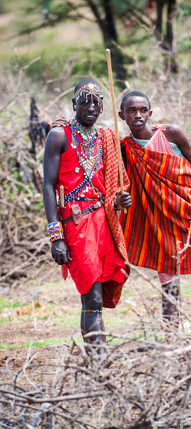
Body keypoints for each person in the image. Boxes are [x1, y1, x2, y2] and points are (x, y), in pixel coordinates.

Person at [118, 91, 191, 333]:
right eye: (131, 111)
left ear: (150, 113)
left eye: (142, 110)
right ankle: (173, 344)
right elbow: (122, 185)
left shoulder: (171, 133)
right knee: (170, 287)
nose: (137, 115)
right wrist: (121, 198)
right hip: (161, 222)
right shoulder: (124, 149)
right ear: (122, 115)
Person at [43, 79, 132, 351]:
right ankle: (98, 363)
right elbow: (47, 186)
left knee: (96, 298)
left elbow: (115, 184)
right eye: (84, 101)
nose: (91, 107)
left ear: (103, 106)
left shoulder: (107, 137)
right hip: (76, 225)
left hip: (105, 222)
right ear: (74, 104)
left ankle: (98, 361)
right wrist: (55, 236)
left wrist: (120, 197)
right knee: (91, 296)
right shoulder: (59, 136)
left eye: (96, 102)